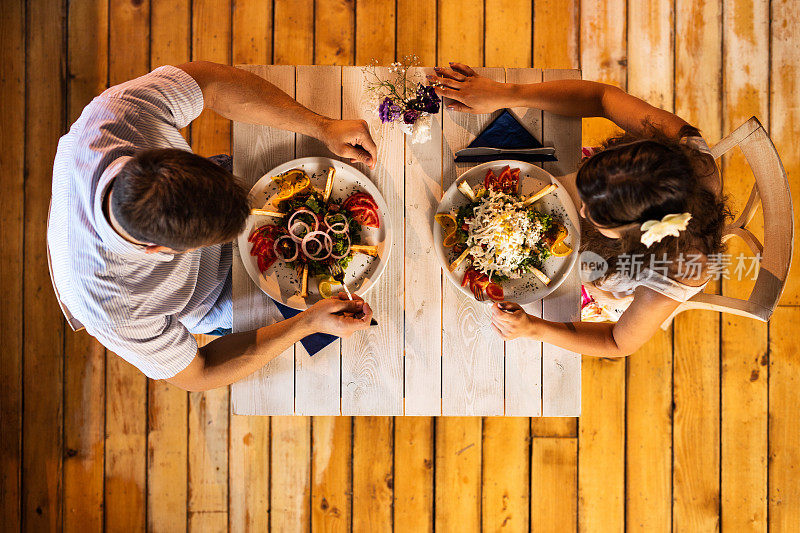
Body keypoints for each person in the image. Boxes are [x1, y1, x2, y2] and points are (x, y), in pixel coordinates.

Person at [48, 61, 376, 391]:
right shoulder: (114, 308)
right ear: (159, 250)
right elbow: (200, 373)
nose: (254, 228)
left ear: (161, 156)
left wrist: (322, 127)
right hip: (217, 294)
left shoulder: (119, 115)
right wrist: (304, 325)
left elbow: (213, 85)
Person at [430, 62, 730, 357]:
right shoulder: (686, 153)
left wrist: (533, 328)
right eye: (586, 194)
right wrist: (510, 93)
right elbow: (602, 98)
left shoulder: (679, 269)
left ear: (635, 235)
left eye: (591, 212)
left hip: (602, 281)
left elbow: (617, 343)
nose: (582, 210)